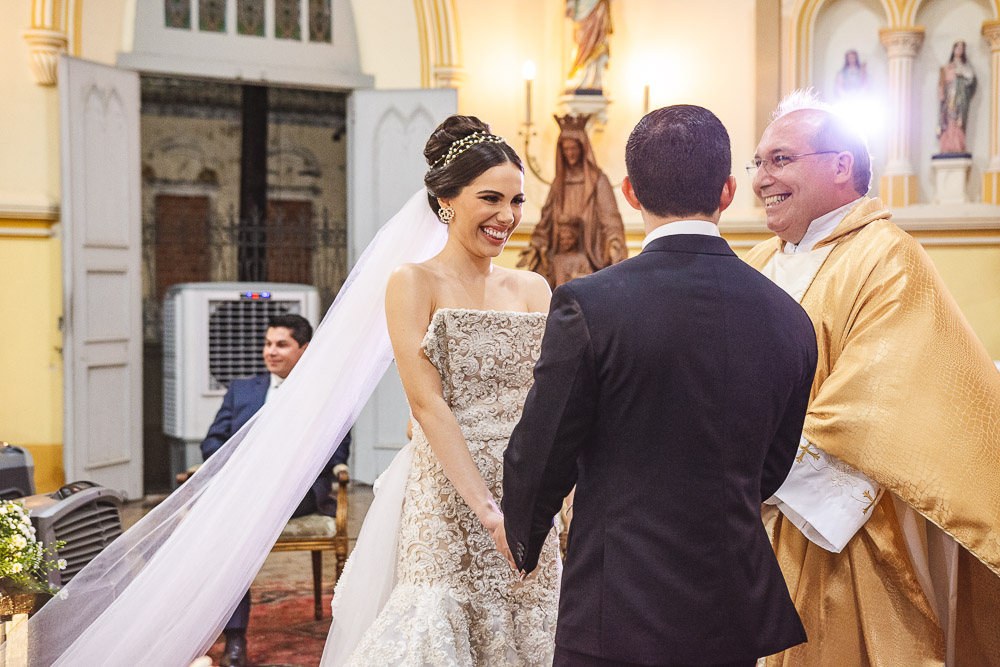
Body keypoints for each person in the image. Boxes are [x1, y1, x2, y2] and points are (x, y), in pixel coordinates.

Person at [502, 104, 816, 666]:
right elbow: (772, 467)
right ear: (727, 192)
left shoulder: (589, 305)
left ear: (629, 192)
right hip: (730, 607)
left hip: (617, 605)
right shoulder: (788, 317)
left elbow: (542, 452)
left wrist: (524, 539)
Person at [744, 91, 1000, 666]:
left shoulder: (887, 257)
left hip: (839, 534)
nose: (762, 179)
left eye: (781, 159)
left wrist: (743, 470)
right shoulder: (757, 262)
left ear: (840, 165)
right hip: (743, 524)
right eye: (758, 162)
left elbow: (873, 403)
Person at [320, 115, 561, 665]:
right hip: (450, 492)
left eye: (517, 201)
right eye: (491, 198)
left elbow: (550, 402)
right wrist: (489, 512)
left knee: (530, 624)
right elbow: (427, 405)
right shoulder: (413, 281)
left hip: (526, 485)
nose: (507, 216)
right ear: (446, 201)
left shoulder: (533, 288)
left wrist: (553, 494)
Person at [200, 314, 351, 667]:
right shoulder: (242, 390)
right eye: (268, 344)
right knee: (232, 532)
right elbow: (212, 441)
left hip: (298, 494)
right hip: (244, 491)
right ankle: (234, 638)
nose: (271, 351)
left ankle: (230, 635)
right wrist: (240, 465)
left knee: (227, 527)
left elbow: (337, 452)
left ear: (305, 349)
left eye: (281, 344)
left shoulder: (325, 393)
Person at [518, 114, 626, 288]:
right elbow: (546, 220)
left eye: (574, 148)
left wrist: (614, 241)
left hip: (590, 252)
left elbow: (610, 217)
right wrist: (536, 243)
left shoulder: (598, 181)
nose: (570, 153)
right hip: (560, 252)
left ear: (582, 148)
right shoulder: (559, 183)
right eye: (566, 149)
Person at [937, 39, 976, 154]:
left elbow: (971, 79)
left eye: (961, 48)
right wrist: (942, 92)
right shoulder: (948, 66)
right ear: (953, 49)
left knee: (958, 119)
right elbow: (942, 82)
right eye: (957, 47)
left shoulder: (965, 66)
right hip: (949, 95)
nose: (959, 50)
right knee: (948, 118)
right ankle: (948, 144)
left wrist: (962, 73)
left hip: (960, 96)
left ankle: (958, 144)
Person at [565, 0, 612, 92]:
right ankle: (579, 74)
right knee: (582, 41)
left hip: (598, 5)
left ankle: (595, 78)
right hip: (582, 7)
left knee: (598, 40)